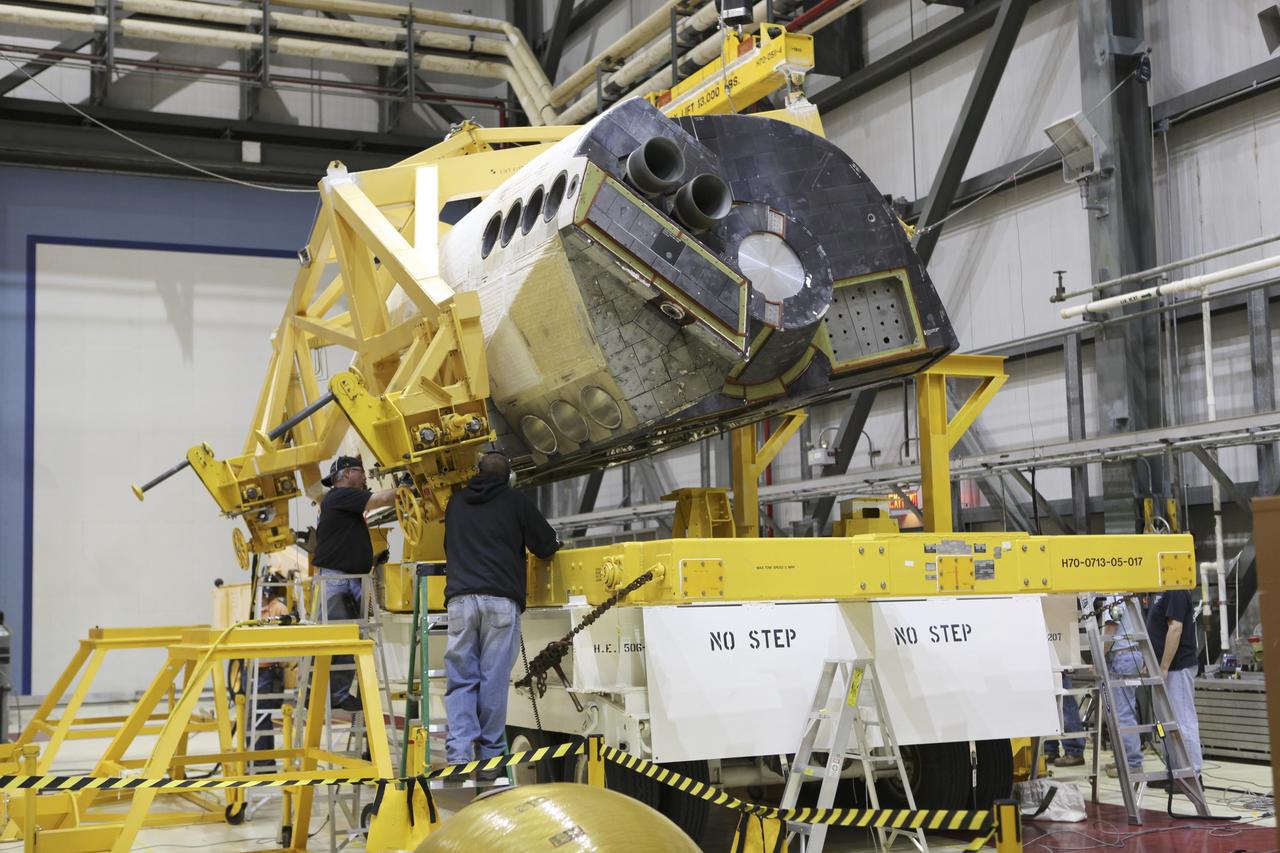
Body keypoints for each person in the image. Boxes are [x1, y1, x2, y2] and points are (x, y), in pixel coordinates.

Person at [442, 451, 561, 780]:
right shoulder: (515, 502)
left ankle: (459, 755)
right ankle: (491, 759)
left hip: (461, 601)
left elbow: (449, 545)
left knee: (462, 679)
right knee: (492, 680)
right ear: (508, 477)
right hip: (500, 602)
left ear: (476, 471)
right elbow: (546, 544)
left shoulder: (455, 503)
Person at [313, 455, 395, 711]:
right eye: (361, 472)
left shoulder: (344, 503)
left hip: (353, 579)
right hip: (338, 580)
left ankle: (341, 690)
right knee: (340, 636)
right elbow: (380, 499)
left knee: (354, 637)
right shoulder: (339, 496)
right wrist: (409, 487)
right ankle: (327, 692)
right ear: (346, 473)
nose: (366, 477)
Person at [1146, 589, 1201, 779]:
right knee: (1163, 724)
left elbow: (1175, 628)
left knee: (1183, 723)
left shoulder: (1175, 590)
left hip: (1176, 668)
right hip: (1162, 669)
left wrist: (1164, 666)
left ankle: (1193, 774)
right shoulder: (1159, 591)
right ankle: (1173, 771)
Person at [1101, 596, 1145, 778]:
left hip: (1122, 656)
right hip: (1130, 654)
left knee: (1123, 713)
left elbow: (1111, 629)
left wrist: (1099, 657)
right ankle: (1125, 759)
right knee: (1123, 711)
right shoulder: (1127, 593)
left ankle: (1132, 762)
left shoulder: (1113, 594)